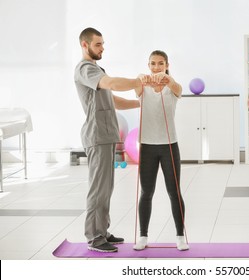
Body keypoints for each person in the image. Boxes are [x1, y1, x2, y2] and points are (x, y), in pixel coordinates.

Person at [74, 27, 142, 253]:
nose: (102, 48)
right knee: (98, 189)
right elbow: (112, 83)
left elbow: (113, 99)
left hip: (106, 135)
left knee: (106, 188)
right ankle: (94, 238)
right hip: (97, 135)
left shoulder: (97, 70)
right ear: (85, 45)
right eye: (97, 44)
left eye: (103, 44)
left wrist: (142, 103)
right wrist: (137, 82)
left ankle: (102, 231)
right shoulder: (85, 69)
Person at [133, 50, 189, 251]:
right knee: (146, 192)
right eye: (153, 64)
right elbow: (136, 83)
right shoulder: (142, 86)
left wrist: (166, 79)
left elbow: (175, 86)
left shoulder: (173, 87)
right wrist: (140, 78)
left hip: (169, 146)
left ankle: (181, 236)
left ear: (167, 65)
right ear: (148, 65)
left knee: (174, 192)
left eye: (160, 63)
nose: (156, 67)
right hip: (147, 146)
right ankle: (143, 236)